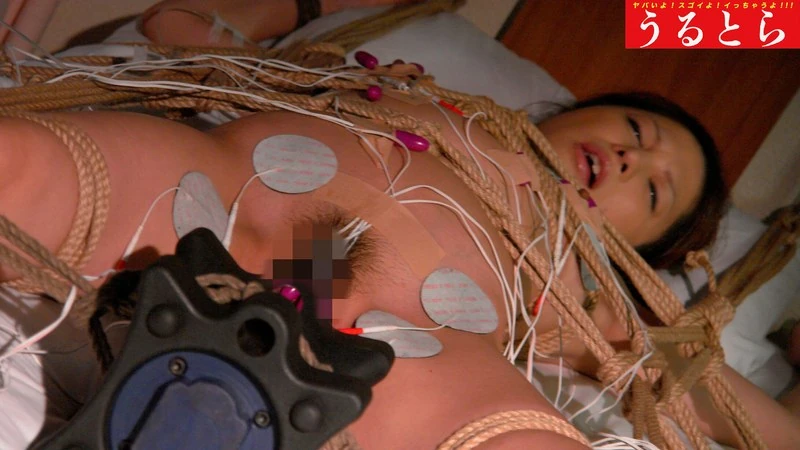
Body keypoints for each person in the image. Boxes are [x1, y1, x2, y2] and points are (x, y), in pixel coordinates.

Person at [1, 1, 798, 449]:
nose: (630, 158)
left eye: (654, 189)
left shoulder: (580, 289)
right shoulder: (419, 92)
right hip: (216, 198)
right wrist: (298, 23)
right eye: (636, 130)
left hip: (391, 344)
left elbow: (734, 412)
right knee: (20, 163)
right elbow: (176, 27)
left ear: (638, 250)